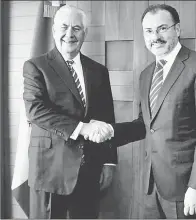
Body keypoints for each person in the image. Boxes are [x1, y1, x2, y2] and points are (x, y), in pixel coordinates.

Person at [90, 4, 196, 219]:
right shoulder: (146, 74)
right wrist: (110, 130)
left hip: (185, 188)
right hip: (150, 186)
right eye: (149, 31)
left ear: (177, 29)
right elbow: (145, 126)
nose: (155, 37)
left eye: (162, 28)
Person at [23, 5, 117, 219]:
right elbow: (35, 110)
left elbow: (107, 118)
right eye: (64, 27)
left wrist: (110, 162)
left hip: (89, 170)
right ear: (54, 30)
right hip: (50, 171)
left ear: (85, 33)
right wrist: (82, 128)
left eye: (76, 28)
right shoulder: (36, 66)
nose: (69, 34)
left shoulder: (99, 71)